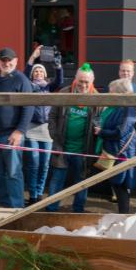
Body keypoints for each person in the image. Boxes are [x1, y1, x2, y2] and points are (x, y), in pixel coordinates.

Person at [0, 47, 34, 208]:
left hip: (11, 134)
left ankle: (16, 208)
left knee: (13, 172)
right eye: (3, 60)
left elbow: (28, 107)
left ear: (15, 61)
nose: (6, 63)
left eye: (10, 60)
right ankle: (4, 204)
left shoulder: (21, 80)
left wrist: (20, 131)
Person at [46, 63, 100, 212]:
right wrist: (54, 136)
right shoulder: (64, 93)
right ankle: (51, 210)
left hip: (83, 150)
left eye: (86, 82)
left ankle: (78, 211)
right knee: (57, 180)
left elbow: (100, 119)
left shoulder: (97, 99)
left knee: (81, 182)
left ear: (91, 82)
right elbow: (52, 116)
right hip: (62, 146)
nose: (83, 85)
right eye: (80, 81)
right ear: (75, 79)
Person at [24, 45, 64, 205]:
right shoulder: (28, 86)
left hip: (46, 130)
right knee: (33, 163)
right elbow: (23, 76)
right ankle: (32, 194)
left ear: (45, 74)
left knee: (45, 163)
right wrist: (32, 58)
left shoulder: (49, 87)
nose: (38, 73)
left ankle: (40, 192)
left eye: (40, 71)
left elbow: (60, 80)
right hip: (31, 128)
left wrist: (58, 65)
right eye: (36, 71)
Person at [98, 78, 136, 213]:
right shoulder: (123, 108)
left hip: (121, 154)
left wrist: (101, 132)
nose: (110, 95)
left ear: (121, 93)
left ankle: (123, 216)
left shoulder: (128, 109)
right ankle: (123, 215)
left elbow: (121, 132)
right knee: (119, 186)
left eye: (112, 92)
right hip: (118, 152)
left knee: (121, 187)